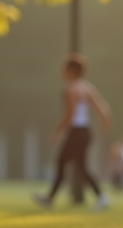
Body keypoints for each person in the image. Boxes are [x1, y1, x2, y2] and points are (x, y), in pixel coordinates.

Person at [34, 54, 113, 210]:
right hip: (85, 132)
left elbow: (69, 116)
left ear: (71, 71)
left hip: (76, 132)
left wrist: (57, 131)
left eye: (64, 69)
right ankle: (100, 197)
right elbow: (103, 109)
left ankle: (50, 198)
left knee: (63, 162)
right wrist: (105, 122)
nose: (62, 72)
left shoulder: (70, 89)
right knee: (78, 166)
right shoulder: (86, 87)